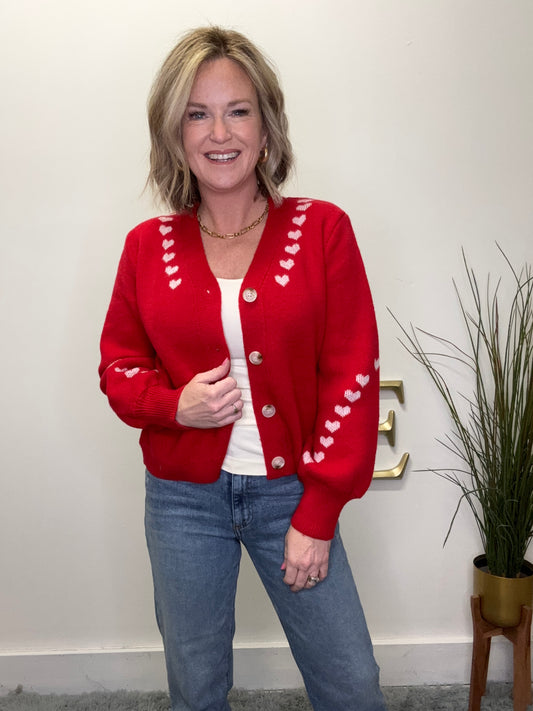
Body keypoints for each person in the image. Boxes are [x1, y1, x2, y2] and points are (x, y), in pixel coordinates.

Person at [99, 26, 387, 711]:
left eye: (236, 109)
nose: (217, 131)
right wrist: (177, 407)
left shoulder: (322, 231)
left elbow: (351, 374)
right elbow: (118, 367)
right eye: (195, 113)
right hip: (181, 501)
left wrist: (316, 512)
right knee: (195, 685)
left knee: (350, 684)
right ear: (174, 135)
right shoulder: (146, 247)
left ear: (266, 125)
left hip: (290, 491)